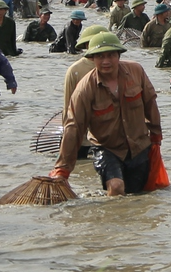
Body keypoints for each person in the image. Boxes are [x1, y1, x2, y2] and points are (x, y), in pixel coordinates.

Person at [53, 32, 163, 195]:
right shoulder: (84, 89)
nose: (106, 61)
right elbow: (73, 127)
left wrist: (156, 135)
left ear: (118, 55)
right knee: (117, 187)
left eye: (111, 55)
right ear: (92, 59)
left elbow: (150, 103)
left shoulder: (136, 71)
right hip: (107, 148)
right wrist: (63, 169)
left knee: (139, 197)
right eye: (100, 56)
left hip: (139, 146)